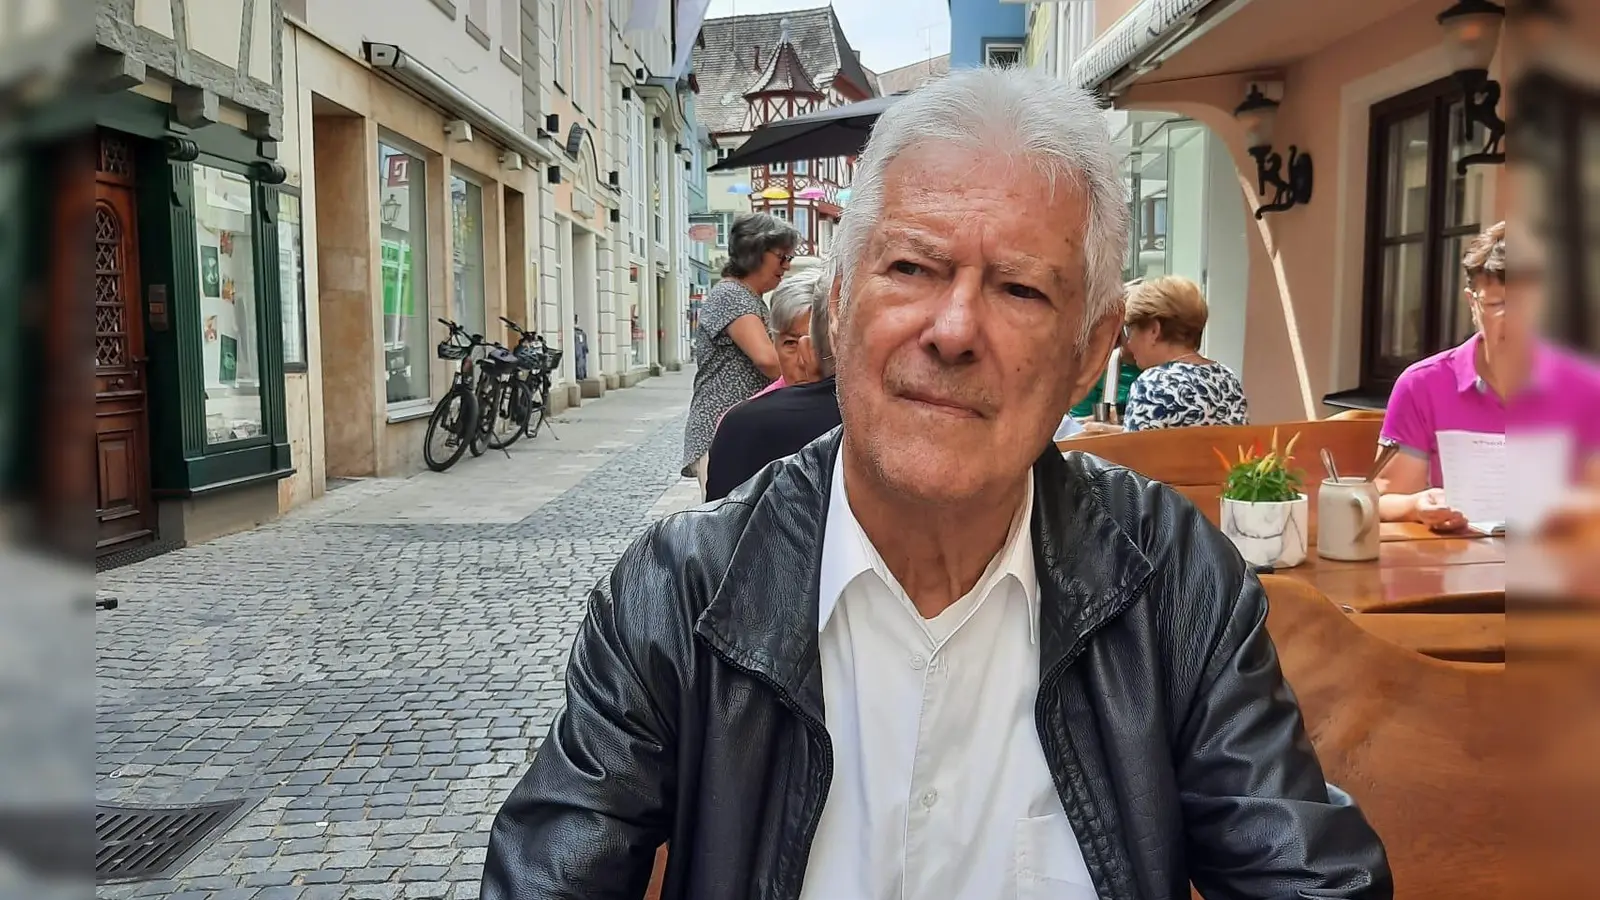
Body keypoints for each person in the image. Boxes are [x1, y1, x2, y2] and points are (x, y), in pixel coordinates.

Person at [482, 68, 1389, 900]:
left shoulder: (1172, 575)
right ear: (838, 304)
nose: (953, 329)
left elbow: (1304, 872)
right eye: (912, 267)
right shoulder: (680, 590)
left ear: (1090, 353)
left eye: (1021, 290)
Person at [1377, 220, 1600, 530]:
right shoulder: (1422, 385)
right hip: (1450, 564)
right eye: (1498, 304)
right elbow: (1384, 499)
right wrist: (1416, 506)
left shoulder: (1586, 389)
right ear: (1472, 304)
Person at [680, 213, 798, 497]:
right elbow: (768, 361)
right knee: (725, 517)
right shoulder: (732, 295)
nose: (787, 265)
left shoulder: (747, 297)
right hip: (719, 428)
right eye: (781, 256)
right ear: (755, 252)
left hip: (736, 427)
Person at [705, 263, 841, 502]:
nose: (804, 357)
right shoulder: (744, 422)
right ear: (773, 342)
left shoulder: (859, 413)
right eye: (790, 343)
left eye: (818, 342)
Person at [1117, 275, 1248, 431]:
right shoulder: (1227, 378)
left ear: (1154, 330)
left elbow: (1134, 453)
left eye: (1130, 330)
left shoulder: (1153, 385)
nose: (1129, 342)